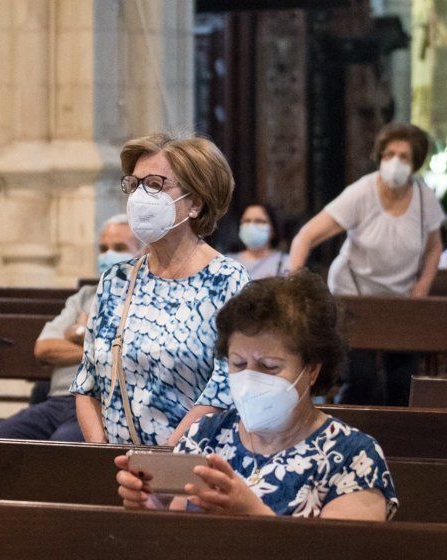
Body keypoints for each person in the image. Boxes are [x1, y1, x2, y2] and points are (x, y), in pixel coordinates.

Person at [115, 271, 398, 519]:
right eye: (238, 364)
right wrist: (148, 507)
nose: (249, 378)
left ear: (311, 370)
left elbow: (348, 550)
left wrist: (253, 516)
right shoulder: (206, 435)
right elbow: (177, 531)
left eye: (269, 366)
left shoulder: (353, 454)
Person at [71, 133, 250, 447]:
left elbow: (224, 389)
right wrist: (101, 457)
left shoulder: (227, 280)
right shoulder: (117, 279)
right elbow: (87, 382)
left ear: (195, 203)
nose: (140, 196)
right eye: (134, 184)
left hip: (191, 470)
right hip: (116, 469)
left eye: (154, 185)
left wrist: (163, 464)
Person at [289, 123, 445, 406]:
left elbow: (435, 247)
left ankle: (399, 442)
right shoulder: (362, 192)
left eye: (404, 156)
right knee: (361, 378)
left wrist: (423, 285)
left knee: (403, 381)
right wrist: (295, 284)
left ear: (416, 163)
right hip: (353, 293)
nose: (394, 162)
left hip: (401, 299)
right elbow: (306, 236)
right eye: (389, 154)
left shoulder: (425, 197)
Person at [0, 215, 142, 441]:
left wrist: (77, 333)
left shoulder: (142, 298)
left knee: (61, 447)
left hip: (101, 404)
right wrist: (97, 347)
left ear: (142, 252)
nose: (108, 255)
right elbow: (44, 347)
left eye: (118, 247)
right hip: (57, 400)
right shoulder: (85, 296)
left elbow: (129, 357)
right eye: (103, 248)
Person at [227, 202, 290, 279]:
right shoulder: (227, 263)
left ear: (272, 230)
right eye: (246, 221)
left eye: (259, 221)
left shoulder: (286, 263)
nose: (251, 226)